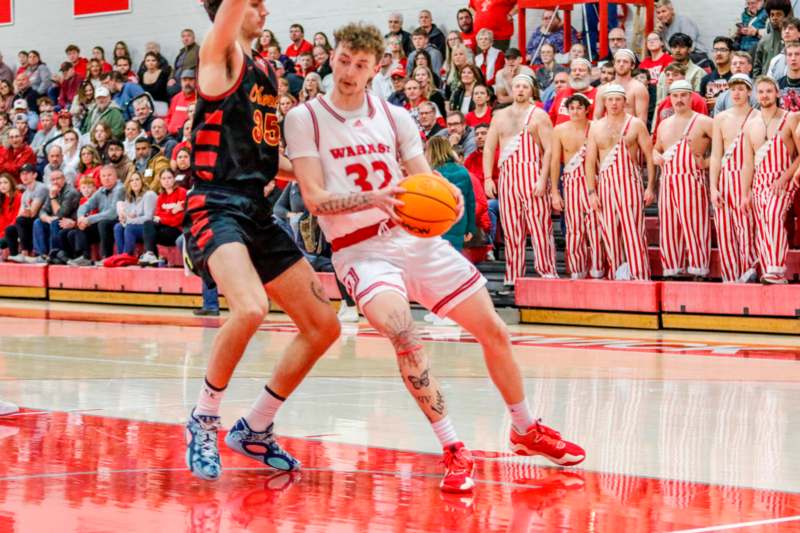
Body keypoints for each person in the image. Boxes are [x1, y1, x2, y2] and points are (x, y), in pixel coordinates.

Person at [286, 21, 584, 493]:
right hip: (360, 250)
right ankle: (453, 447)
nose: (348, 71)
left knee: (495, 330)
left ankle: (524, 427)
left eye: (360, 65)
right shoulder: (306, 117)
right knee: (404, 333)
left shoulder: (395, 117)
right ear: (333, 58)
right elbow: (315, 199)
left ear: (376, 69)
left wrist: (449, 199)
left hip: (411, 238)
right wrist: (374, 198)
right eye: (343, 60)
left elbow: (426, 183)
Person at [183, 0, 340, 482]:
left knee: (324, 325)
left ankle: (255, 426)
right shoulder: (219, 56)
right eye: (254, 3)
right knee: (249, 308)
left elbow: (269, 160)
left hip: (256, 207)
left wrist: (330, 180)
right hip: (214, 204)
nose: (265, 10)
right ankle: (204, 418)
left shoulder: (268, 72)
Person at [483, 74, 558, 291]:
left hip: (532, 172)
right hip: (507, 176)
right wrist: (488, 177)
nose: (520, 90)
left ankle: (547, 271)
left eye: (525, 86)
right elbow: (489, 147)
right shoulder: (499, 115)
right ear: (511, 89)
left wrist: (543, 179)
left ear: (531, 90)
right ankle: (513, 275)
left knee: (539, 225)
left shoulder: (539, 115)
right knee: (511, 227)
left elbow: (550, 150)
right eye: (517, 86)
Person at [585, 85, 655, 281]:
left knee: (634, 231)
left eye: (618, 99)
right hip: (606, 185)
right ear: (604, 102)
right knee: (609, 233)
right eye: (610, 99)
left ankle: (640, 275)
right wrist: (592, 192)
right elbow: (590, 161)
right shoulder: (596, 127)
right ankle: (617, 275)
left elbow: (649, 157)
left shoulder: (636, 124)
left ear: (625, 101)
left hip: (630, 182)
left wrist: (649, 187)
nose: (614, 103)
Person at [652, 81, 714, 279]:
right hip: (668, 179)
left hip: (691, 179)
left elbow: (725, 149)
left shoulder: (704, 121)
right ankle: (672, 269)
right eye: (675, 95)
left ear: (691, 97)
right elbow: (657, 148)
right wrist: (654, 155)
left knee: (695, 224)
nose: (679, 99)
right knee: (669, 226)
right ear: (670, 98)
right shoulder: (664, 124)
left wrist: (705, 163)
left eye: (683, 95)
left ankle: (699, 269)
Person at [743, 76, 799, 284]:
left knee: (774, 217)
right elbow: (748, 163)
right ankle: (768, 269)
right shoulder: (751, 124)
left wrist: (785, 177)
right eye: (761, 91)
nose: (765, 95)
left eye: (769, 91)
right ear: (756, 95)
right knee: (763, 223)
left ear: (777, 93)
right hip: (760, 179)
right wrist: (745, 193)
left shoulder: (791, 118)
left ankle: (776, 269)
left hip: (783, 177)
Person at [709, 73, 758, 283]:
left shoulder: (757, 116)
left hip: (749, 176)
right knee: (725, 229)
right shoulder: (720, 118)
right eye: (733, 88)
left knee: (747, 227)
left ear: (748, 91)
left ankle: (750, 270)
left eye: (741, 88)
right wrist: (713, 187)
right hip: (726, 177)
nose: (736, 93)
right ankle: (730, 276)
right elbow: (716, 155)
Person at [550, 94, 605, 279]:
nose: (575, 111)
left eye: (579, 107)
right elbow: (555, 160)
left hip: (594, 182)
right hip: (571, 182)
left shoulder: (595, 128)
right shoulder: (559, 130)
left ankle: (598, 269)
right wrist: (555, 192)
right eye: (571, 108)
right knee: (574, 229)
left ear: (586, 109)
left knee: (596, 227)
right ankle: (576, 270)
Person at [66, 164, 124, 266]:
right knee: (79, 227)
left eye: (109, 175)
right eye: (104, 176)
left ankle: (107, 257)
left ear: (116, 176)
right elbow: (85, 206)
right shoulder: (100, 191)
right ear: (100, 178)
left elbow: (112, 213)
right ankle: (85, 257)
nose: (106, 178)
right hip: (102, 223)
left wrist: (89, 219)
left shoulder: (120, 189)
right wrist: (81, 218)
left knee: (103, 223)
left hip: (118, 222)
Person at [140, 168, 187, 265]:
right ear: (160, 181)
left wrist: (163, 217)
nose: (166, 181)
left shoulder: (182, 192)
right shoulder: (161, 197)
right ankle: (151, 255)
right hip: (164, 230)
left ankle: (152, 255)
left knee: (152, 232)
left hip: (177, 231)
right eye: (163, 178)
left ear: (174, 179)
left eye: (169, 178)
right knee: (148, 224)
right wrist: (172, 211)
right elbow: (157, 216)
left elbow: (179, 219)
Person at [32, 169, 80, 263]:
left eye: (57, 179)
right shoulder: (54, 191)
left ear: (64, 179)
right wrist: (47, 218)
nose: (55, 182)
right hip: (56, 221)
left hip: (70, 222)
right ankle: (42, 255)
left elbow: (61, 214)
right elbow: (42, 211)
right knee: (38, 222)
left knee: (55, 222)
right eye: (52, 180)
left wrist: (53, 197)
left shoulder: (71, 192)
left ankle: (55, 254)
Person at [3, 164, 46, 262]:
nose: (24, 176)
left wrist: (26, 212)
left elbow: (32, 212)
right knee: (10, 229)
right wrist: (25, 212)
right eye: (22, 174)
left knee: (21, 220)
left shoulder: (41, 188)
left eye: (27, 173)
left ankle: (25, 253)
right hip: (28, 221)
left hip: (40, 220)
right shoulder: (25, 193)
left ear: (35, 175)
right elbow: (20, 213)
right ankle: (15, 255)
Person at [594, 49, 649, 124]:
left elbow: (642, 120)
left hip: (630, 132)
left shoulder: (639, 88)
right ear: (614, 64)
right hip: (608, 132)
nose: (621, 64)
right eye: (618, 61)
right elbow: (596, 118)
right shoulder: (603, 89)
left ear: (632, 65)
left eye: (625, 61)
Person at [113, 171, 157, 258]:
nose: (135, 182)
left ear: (142, 181)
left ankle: (126, 256)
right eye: (131, 180)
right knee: (118, 227)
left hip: (149, 229)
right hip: (136, 225)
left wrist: (129, 220)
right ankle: (120, 256)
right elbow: (127, 215)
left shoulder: (149, 195)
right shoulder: (130, 198)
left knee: (130, 228)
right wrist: (123, 218)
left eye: (137, 179)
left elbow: (148, 217)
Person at [656, 34, 705, 103]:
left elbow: (699, 102)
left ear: (689, 49)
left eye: (682, 47)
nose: (677, 50)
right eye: (674, 47)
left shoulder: (698, 72)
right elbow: (659, 103)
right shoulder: (664, 73)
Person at [548, 59, 598, 125]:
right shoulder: (561, 93)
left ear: (589, 74)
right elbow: (552, 119)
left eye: (581, 70)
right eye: (574, 70)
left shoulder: (598, 95)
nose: (577, 73)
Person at [752, 0, 792, 77]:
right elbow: (757, 67)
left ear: (786, 16)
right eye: (772, 15)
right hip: (766, 85)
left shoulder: (793, 38)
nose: (774, 18)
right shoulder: (764, 40)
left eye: (778, 14)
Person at [700, 37, 734, 114]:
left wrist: (719, 102)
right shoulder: (705, 79)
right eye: (715, 50)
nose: (718, 53)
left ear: (731, 53)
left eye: (723, 50)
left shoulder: (736, 79)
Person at [777, 40, 800, 112]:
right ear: (785, 59)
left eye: (797, 54)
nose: (793, 58)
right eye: (790, 55)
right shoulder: (777, 85)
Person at [0, 173, 21, 239]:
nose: (2, 185)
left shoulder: (19, 196)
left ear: (11, 183)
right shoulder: (1, 198)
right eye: (0, 183)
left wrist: (3, 234)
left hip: (12, 231)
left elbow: (16, 218)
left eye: (5, 182)